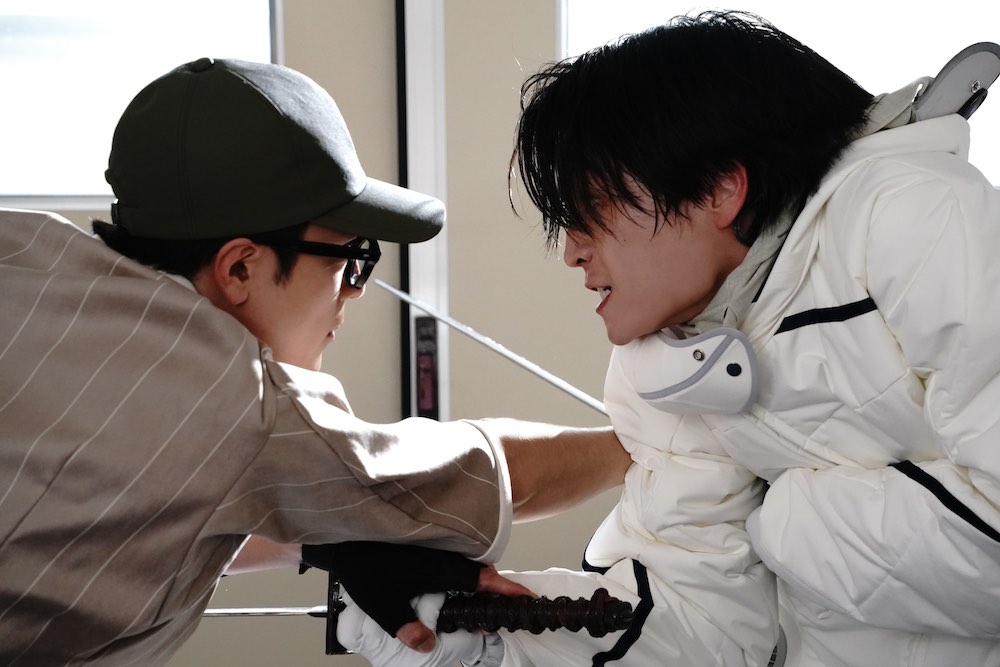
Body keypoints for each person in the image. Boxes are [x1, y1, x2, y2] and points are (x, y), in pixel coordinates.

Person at [340, 10, 1000, 667]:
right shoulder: (665, 368)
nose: (572, 254)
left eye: (587, 214)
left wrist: (785, 521)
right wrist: (479, 634)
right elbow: (697, 629)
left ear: (718, 188)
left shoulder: (916, 216)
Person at [0, 57, 631, 666]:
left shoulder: (24, 248)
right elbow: (495, 472)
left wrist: (315, 544)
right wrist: (646, 442)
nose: (355, 290)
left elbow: (115, 520)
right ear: (240, 267)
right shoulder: (246, 404)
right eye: (348, 259)